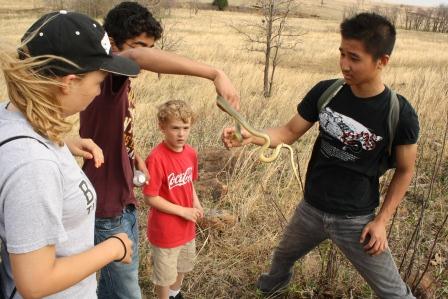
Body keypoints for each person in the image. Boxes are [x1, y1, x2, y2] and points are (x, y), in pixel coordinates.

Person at [222, 13, 419, 298]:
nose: (344, 64)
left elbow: (405, 170)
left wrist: (381, 222)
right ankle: (271, 291)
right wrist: (252, 135)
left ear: (382, 61)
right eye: (341, 53)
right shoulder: (326, 92)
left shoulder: (399, 113)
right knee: (282, 259)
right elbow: (289, 131)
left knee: (394, 293)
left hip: (356, 220)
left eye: (354, 57)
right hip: (310, 209)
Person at [67, 2, 239, 299]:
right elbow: (134, 57)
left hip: (120, 197)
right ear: (113, 42)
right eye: (138, 45)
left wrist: (133, 157)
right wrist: (214, 73)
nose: (142, 56)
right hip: (108, 206)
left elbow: (111, 128)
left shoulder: (114, 81)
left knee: (113, 286)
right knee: (126, 292)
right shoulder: (109, 69)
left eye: (150, 47)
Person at [0, 11, 138, 299]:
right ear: (69, 82)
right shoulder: (33, 165)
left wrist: (62, 143)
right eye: (98, 82)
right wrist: (114, 247)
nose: (100, 93)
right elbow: (35, 281)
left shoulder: (13, 116)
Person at [142, 100, 202, 299]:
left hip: (187, 226)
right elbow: (150, 197)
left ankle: (175, 294)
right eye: (175, 128)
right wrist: (182, 211)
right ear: (162, 127)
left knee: (183, 265)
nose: (181, 134)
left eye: (186, 128)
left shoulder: (191, 153)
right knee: (165, 275)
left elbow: (189, 183)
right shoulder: (157, 158)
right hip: (166, 230)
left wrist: (195, 203)